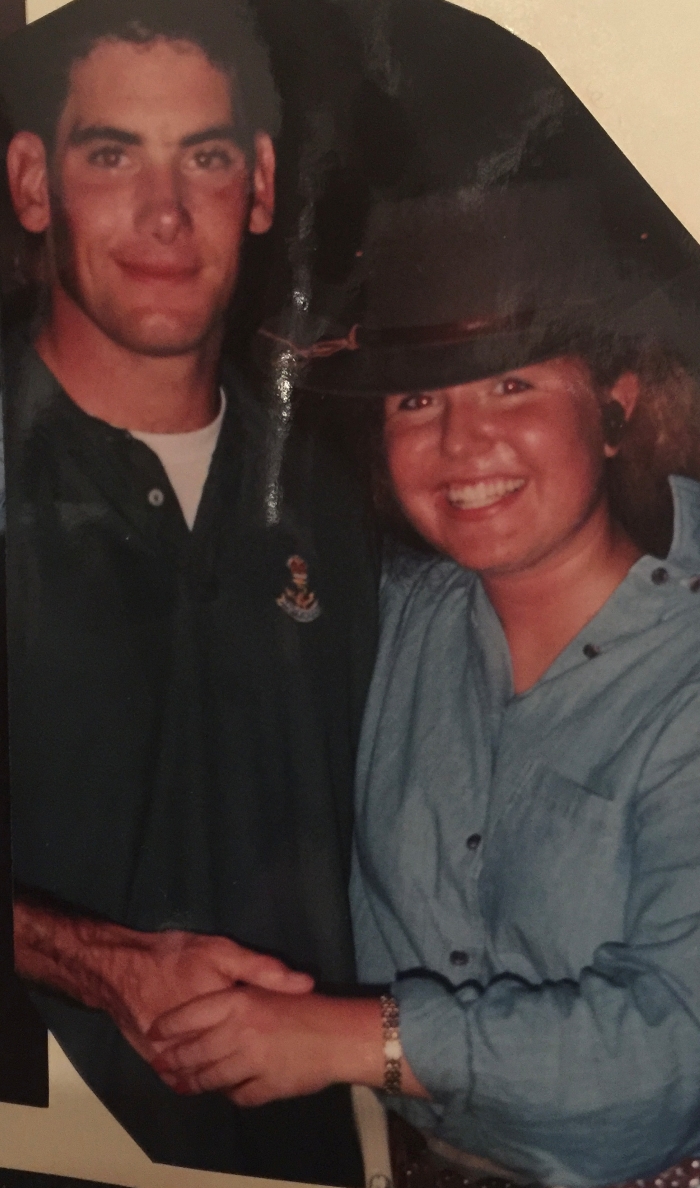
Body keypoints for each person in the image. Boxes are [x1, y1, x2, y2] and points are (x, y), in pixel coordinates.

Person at [145, 182, 700, 1188]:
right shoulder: (383, 618)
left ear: (615, 404)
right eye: (416, 401)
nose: (460, 442)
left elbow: (669, 1052)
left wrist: (352, 1039)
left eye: (511, 385)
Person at [0, 0, 377, 1181]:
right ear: (33, 184)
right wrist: (94, 961)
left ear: (259, 185)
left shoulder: (330, 501)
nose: (164, 213)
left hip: (299, 1152)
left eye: (204, 158)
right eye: (113, 156)